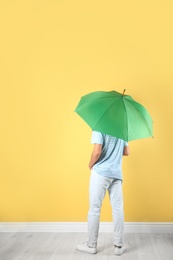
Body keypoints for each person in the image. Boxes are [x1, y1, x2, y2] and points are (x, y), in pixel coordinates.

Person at [76, 130, 130, 256]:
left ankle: (91, 245)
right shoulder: (122, 129)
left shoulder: (99, 128)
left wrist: (90, 165)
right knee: (118, 209)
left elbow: (97, 151)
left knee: (95, 209)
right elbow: (127, 152)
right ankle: (118, 246)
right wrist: (114, 151)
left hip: (100, 173)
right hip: (116, 174)